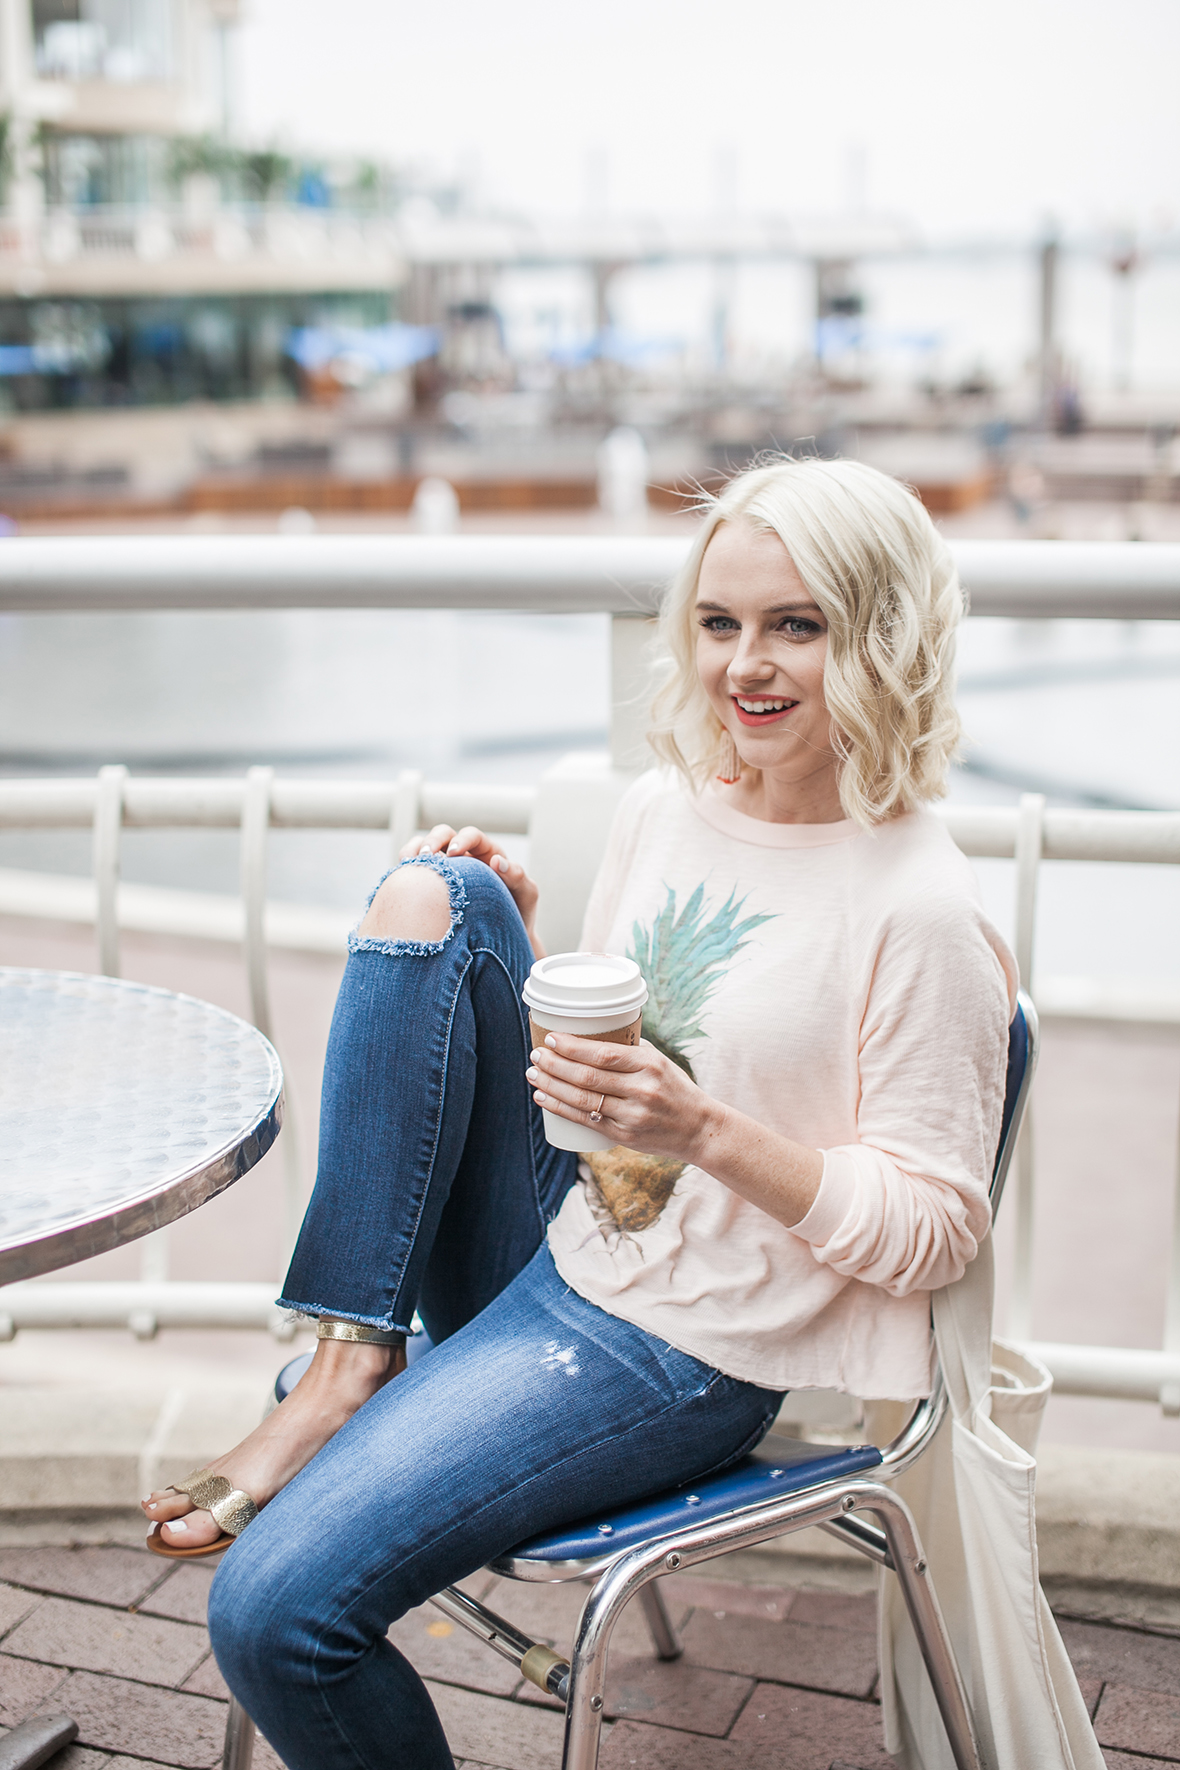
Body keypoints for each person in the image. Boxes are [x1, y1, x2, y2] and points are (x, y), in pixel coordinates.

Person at [141, 457, 1016, 1770]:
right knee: (430, 898)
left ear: (880, 630)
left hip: (693, 1348)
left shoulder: (921, 905)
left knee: (272, 1611)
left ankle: (356, 1384)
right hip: (580, 1233)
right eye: (720, 622)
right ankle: (348, 1357)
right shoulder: (669, 808)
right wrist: (519, 935)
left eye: (799, 624)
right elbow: (617, 1049)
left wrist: (707, 1131)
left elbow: (937, 1228)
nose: (745, 666)